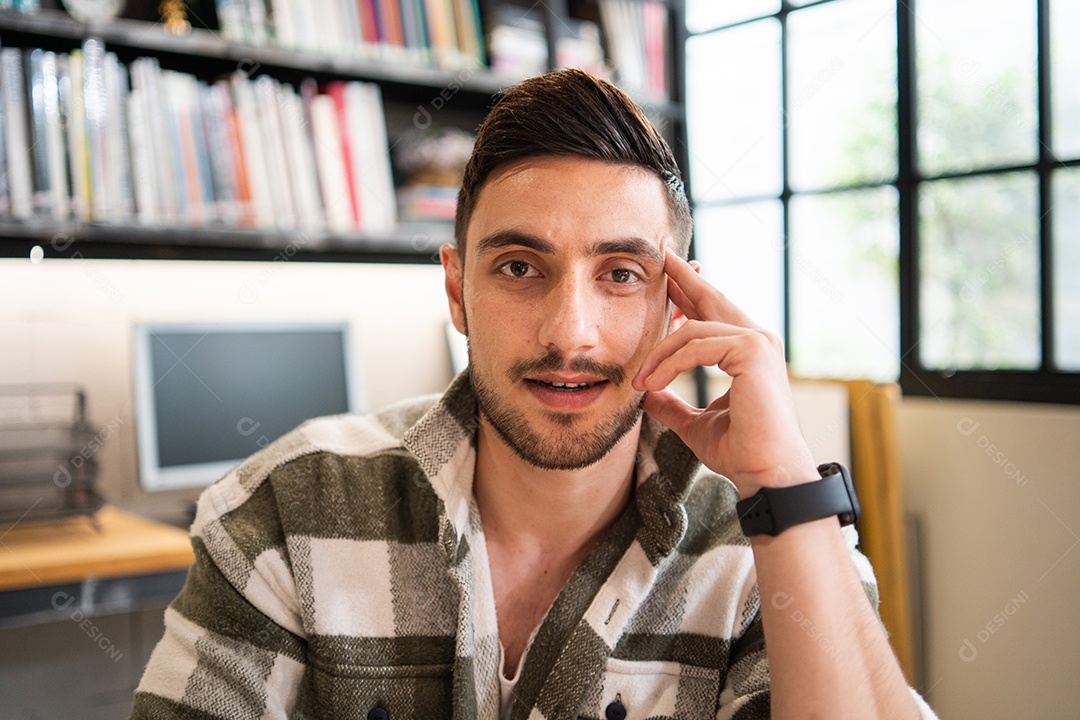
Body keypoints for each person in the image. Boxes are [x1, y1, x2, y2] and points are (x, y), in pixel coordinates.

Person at [129, 69, 937, 720]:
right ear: (457, 290)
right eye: (520, 267)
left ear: (676, 303)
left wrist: (786, 489)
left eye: (621, 275)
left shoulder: (772, 540)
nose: (570, 334)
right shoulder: (285, 510)